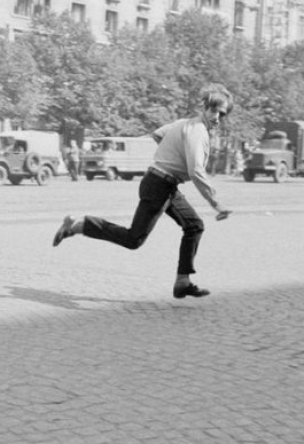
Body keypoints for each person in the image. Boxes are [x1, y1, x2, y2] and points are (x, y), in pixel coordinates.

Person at [52, 84, 234, 299]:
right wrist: (216, 203)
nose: (217, 118)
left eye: (222, 114)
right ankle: (77, 226)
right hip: (159, 184)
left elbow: (158, 135)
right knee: (133, 239)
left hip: (165, 183)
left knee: (194, 225)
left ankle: (182, 282)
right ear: (205, 107)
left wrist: (172, 153)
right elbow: (196, 171)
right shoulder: (198, 131)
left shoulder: (183, 123)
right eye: (214, 111)